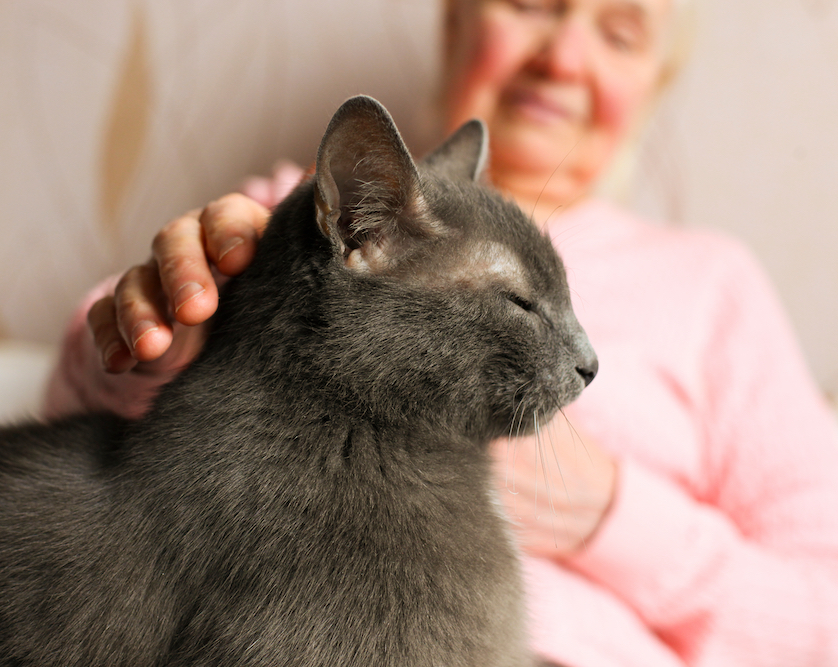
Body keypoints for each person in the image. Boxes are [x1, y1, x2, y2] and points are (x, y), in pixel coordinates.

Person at [44, 0, 838, 665]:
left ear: (653, 87)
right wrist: (170, 339)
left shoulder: (709, 280)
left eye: (620, 32)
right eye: (531, 4)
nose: (563, 56)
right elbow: (80, 419)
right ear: (457, 25)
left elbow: (822, 612)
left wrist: (612, 517)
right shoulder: (303, 208)